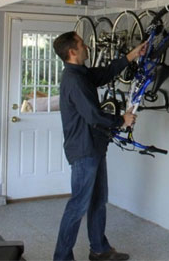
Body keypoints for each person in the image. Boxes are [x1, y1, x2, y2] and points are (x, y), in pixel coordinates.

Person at [52, 31, 147, 261]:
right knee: (78, 206)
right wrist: (121, 120)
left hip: (94, 146)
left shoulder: (80, 74)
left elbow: (103, 74)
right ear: (73, 51)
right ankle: (62, 257)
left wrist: (130, 56)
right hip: (84, 150)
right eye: (82, 44)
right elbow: (94, 116)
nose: (87, 47)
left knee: (97, 201)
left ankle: (99, 249)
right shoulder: (74, 80)